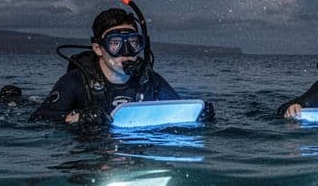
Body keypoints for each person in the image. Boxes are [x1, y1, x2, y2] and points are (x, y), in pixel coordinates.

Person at [30, 7, 205, 124]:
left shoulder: (149, 80)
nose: (126, 51)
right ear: (99, 48)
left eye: (133, 43)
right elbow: (38, 118)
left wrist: (201, 115)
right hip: (91, 152)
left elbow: (179, 109)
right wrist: (80, 117)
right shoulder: (76, 81)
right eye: (115, 44)